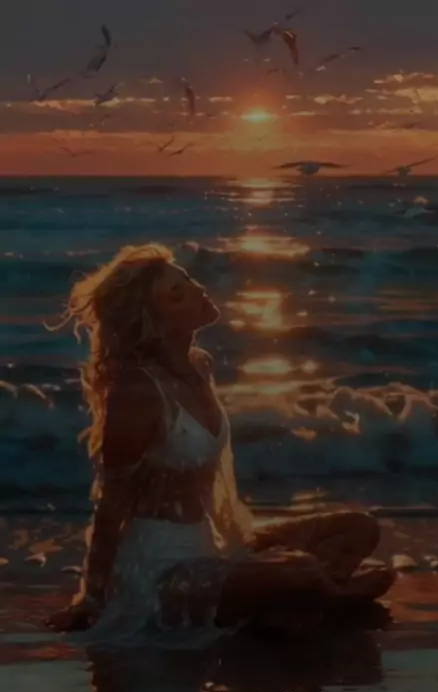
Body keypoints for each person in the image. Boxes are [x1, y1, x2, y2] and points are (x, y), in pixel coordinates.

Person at [47, 243, 395, 639]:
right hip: (163, 570)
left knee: (359, 528)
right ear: (153, 320)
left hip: (217, 542)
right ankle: (320, 597)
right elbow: (111, 502)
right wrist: (91, 598)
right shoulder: (138, 390)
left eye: (187, 280)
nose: (197, 290)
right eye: (177, 294)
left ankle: (296, 603)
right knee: (301, 571)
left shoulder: (200, 365)